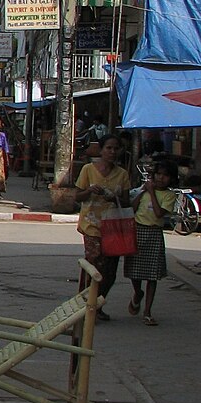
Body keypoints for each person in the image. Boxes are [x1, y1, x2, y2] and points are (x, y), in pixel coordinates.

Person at [72, 134, 131, 321]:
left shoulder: (122, 174)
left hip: (113, 227)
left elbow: (127, 201)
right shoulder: (88, 170)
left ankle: (97, 303)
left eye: (116, 149)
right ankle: (83, 306)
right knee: (94, 265)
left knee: (110, 271)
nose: (112, 152)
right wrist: (89, 190)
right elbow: (77, 196)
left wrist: (113, 197)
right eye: (109, 148)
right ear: (101, 150)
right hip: (91, 225)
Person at [126, 160, 176, 326]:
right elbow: (132, 208)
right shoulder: (145, 191)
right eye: (158, 174)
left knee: (152, 275)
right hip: (138, 231)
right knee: (134, 270)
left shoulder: (169, 195)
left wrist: (152, 193)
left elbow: (159, 213)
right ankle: (137, 292)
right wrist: (143, 191)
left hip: (154, 233)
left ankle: (147, 311)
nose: (161, 178)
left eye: (165, 175)